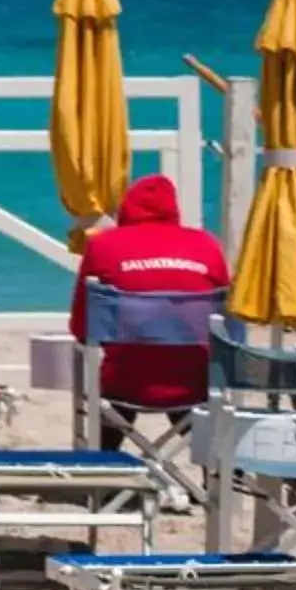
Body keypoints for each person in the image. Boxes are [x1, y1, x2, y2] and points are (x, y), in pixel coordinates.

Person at [70, 173, 229, 429]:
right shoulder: (206, 245)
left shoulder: (103, 245)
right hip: (196, 384)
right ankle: (212, 465)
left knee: (127, 367)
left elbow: (81, 327)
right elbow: (227, 322)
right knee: (178, 366)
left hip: (125, 384)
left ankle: (104, 460)